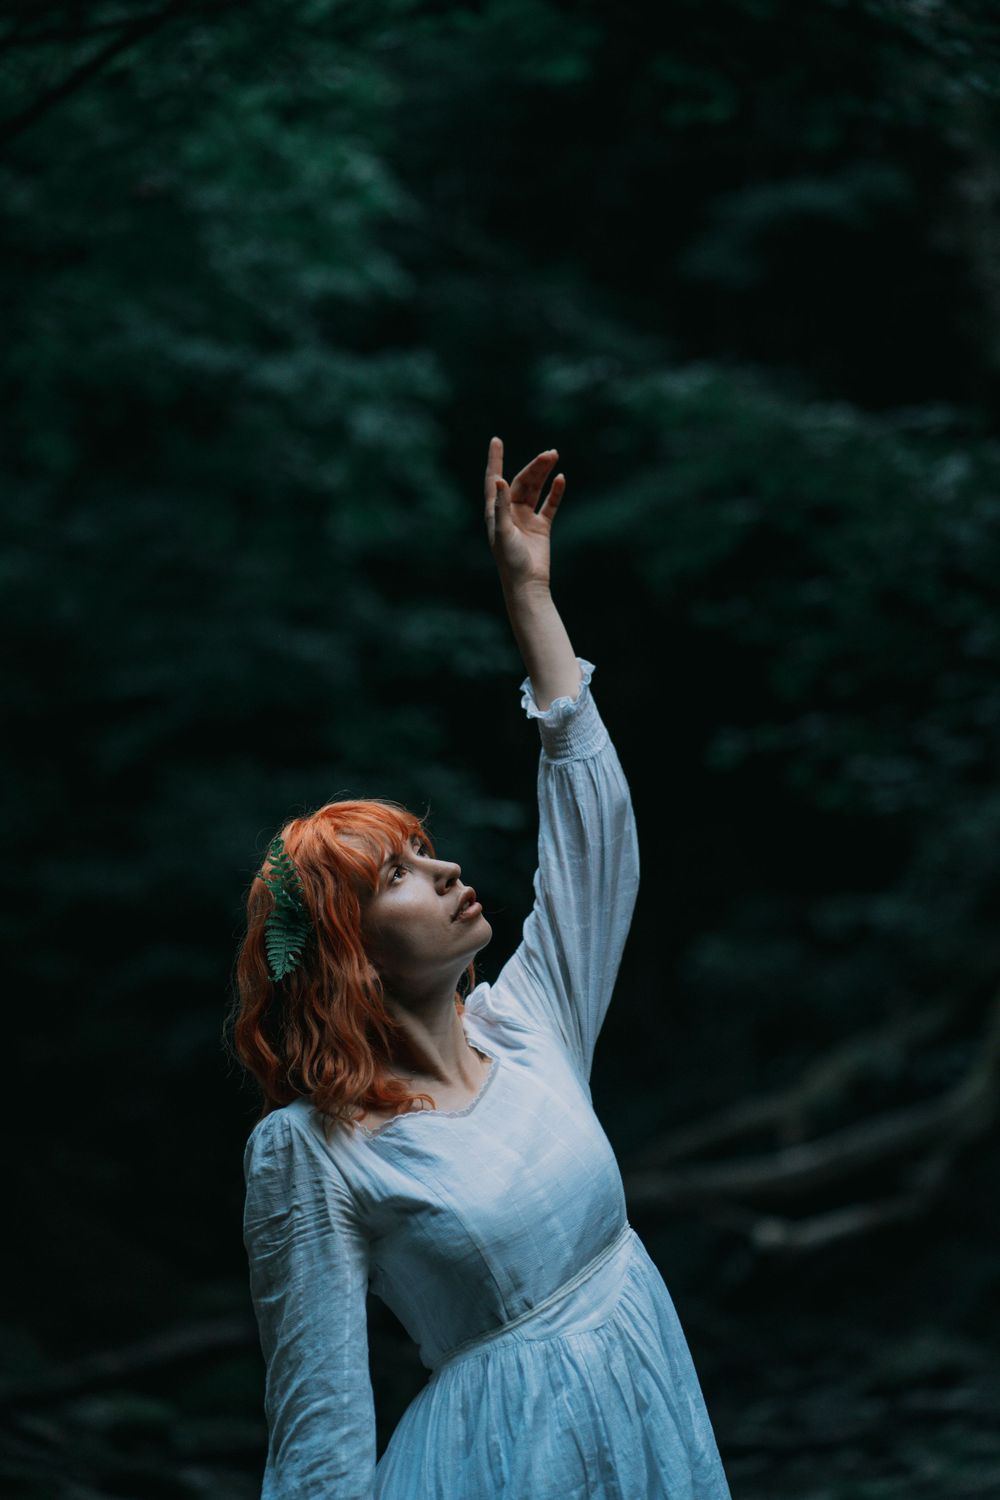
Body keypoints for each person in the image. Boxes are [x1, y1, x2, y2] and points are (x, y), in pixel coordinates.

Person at [232, 437, 733, 1498]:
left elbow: (594, 840)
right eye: (399, 875)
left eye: (426, 849)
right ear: (347, 949)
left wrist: (529, 597)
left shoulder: (528, 1026)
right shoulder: (314, 1151)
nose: (447, 869)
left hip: (647, 1436)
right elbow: (318, 1429)